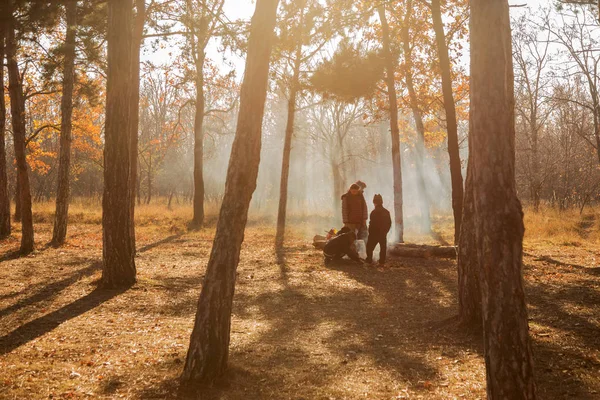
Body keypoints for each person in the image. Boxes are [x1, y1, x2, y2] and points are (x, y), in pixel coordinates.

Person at [365, 194, 392, 266]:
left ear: (374, 202)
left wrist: (370, 233)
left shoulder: (373, 212)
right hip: (383, 233)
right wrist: (385, 232)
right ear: (382, 202)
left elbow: (372, 224)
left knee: (369, 247)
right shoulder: (386, 212)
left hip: (374, 233)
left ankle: (369, 260)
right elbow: (389, 224)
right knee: (383, 248)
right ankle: (382, 262)